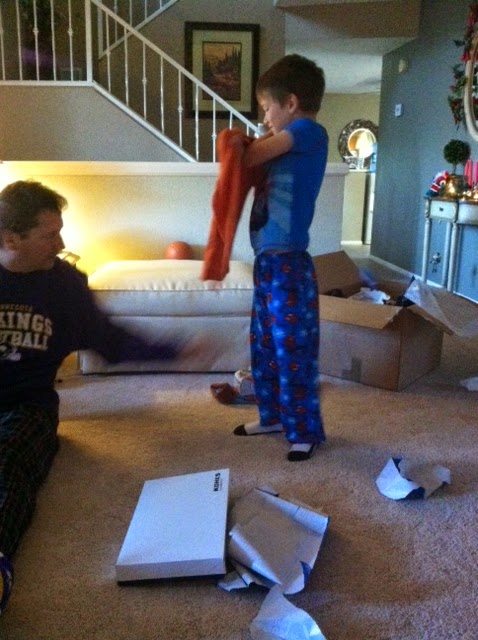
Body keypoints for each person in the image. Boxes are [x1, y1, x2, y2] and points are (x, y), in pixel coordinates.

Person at [0, 180, 192, 614]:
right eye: (50, 235)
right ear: (11, 239)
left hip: (25, 408)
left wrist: (174, 349)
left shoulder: (64, 286)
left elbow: (109, 339)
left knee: (9, 465)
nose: (61, 244)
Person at [231, 54, 329, 462]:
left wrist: (238, 144)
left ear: (291, 103)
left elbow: (249, 156)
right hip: (268, 262)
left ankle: (303, 430)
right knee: (265, 346)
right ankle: (272, 416)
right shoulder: (285, 141)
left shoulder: (308, 131)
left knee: (293, 351)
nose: (266, 117)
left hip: (290, 265)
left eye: (267, 108)